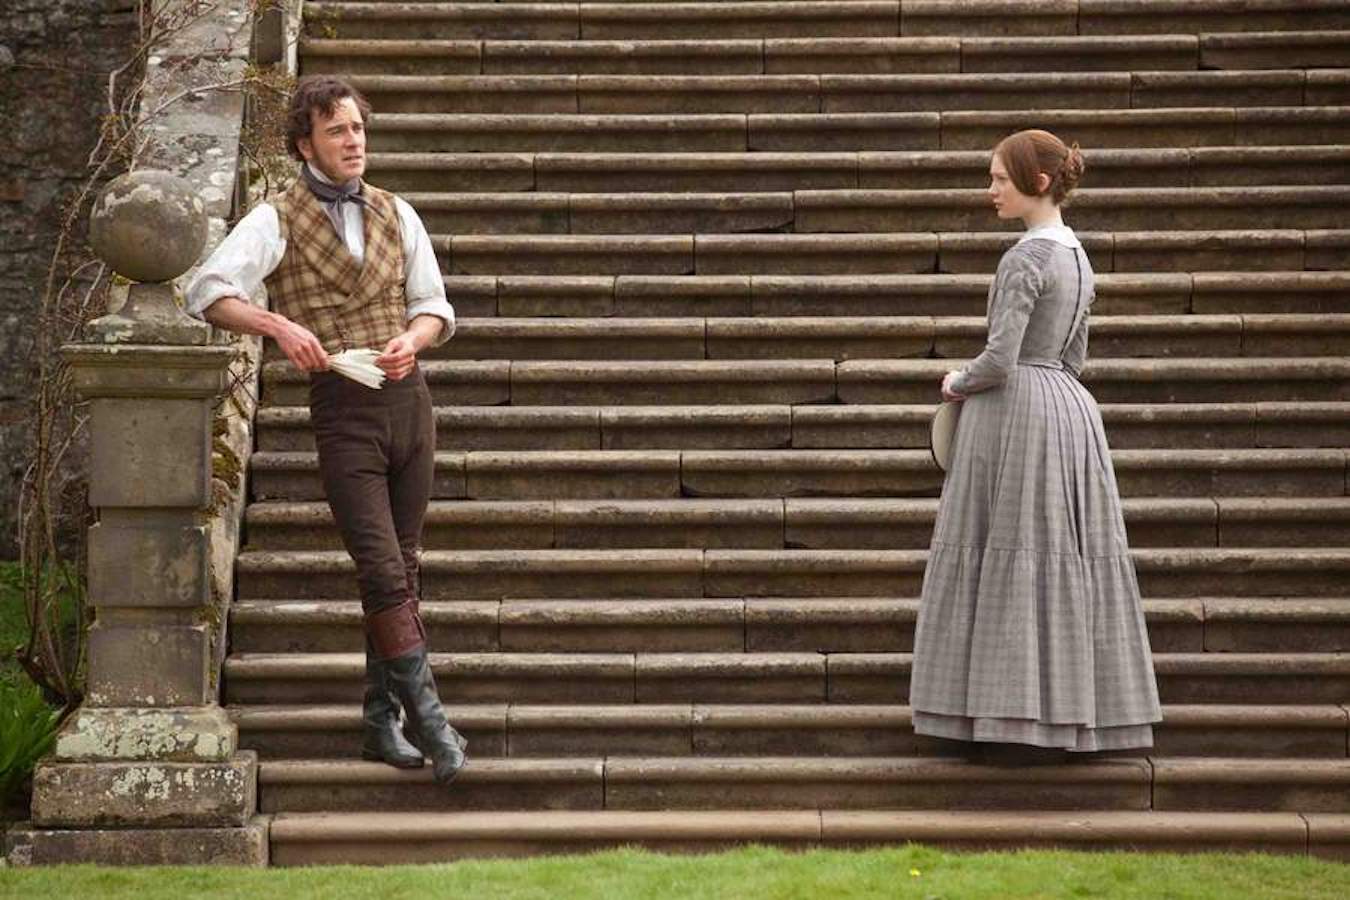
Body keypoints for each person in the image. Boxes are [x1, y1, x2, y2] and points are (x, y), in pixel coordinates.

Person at [185, 75, 467, 784]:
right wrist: (277, 324)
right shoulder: (275, 217)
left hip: (410, 407)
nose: (354, 141)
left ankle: (381, 721)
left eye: (359, 129)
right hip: (344, 414)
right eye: (338, 130)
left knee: (402, 567)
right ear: (304, 142)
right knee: (380, 566)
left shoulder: (397, 212)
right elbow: (207, 291)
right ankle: (433, 722)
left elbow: (435, 305)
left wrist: (415, 337)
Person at [909, 129, 1162, 764]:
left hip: (1015, 410)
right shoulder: (1076, 255)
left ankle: (1003, 719)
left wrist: (955, 381)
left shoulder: (1023, 257)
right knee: (1061, 558)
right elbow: (1074, 355)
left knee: (1008, 551)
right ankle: (1068, 714)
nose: (990, 189)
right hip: (1069, 410)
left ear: (1038, 182)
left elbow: (999, 359)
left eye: (999, 178)